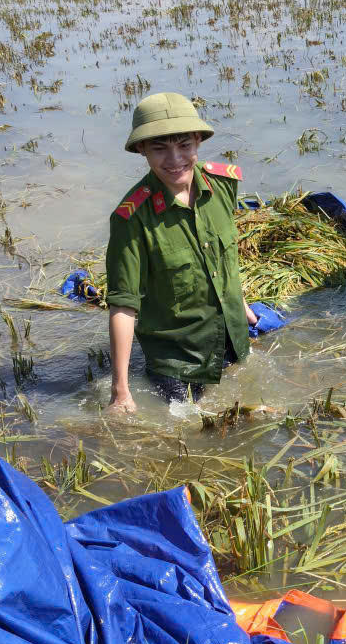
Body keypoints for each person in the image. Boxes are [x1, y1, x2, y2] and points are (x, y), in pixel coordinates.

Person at [106, 92, 259, 412]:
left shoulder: (223, 183)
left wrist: (240, 302)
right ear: (141, 150)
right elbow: (123, 306)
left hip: (232, 339)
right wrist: (121, 390)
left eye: (184, 146)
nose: (175, 160)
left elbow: (223, 254)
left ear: (199, 142)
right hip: (177, 362)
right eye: (160, 148)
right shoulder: (131, 219)